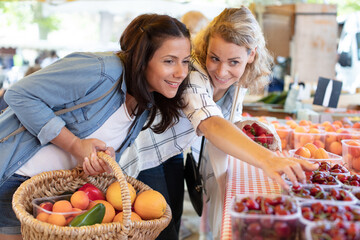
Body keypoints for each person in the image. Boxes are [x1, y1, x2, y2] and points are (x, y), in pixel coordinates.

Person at [120, 6, 318, 240]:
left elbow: (228, 120)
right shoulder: (192, 72)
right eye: (214, 58)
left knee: (173, 218)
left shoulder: (241, 78)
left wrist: (250, 130)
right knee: (160, 231)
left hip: (171, 150)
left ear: (251, 55)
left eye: (233, 62)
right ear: (206, 47)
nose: (222, 71)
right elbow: (211, 124)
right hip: (144, 151)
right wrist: (268, 159)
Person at [0, 13, 191, 240]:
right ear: (142, 59)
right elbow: (20, 94)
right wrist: (74, 144)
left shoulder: (145, 101)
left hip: (57, 194)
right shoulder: (102, 71)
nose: (181, 72)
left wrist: (104, 159)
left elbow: (92, 141)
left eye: (185, 61)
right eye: (169, 61)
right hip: (16, 179)